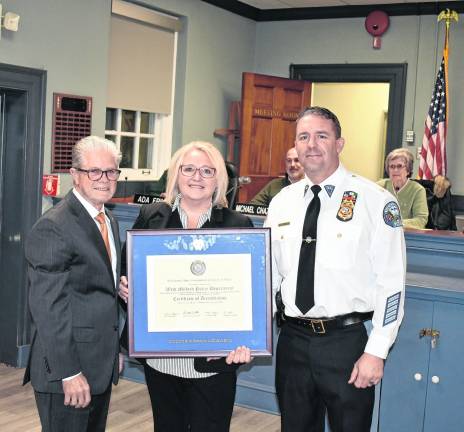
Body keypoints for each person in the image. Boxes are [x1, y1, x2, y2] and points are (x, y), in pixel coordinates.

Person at [265, 107, 406, 432]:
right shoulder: (281, 202)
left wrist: (377, 350)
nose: (311, 144)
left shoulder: (376, 201)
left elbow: (392, 283)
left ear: (339, 143)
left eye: (321, 136)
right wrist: (251, 329)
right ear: (296, 145)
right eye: (303, 137)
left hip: (346, 345)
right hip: (293, 341)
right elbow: (270, 275)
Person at [119, 141, 253, 432]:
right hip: (161, 360)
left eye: (207, 171)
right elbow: (128, 269)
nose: (197, 177)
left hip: (214, 361)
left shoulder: (236, 224)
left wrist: (245, 341)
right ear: (176, 175)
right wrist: (126, 289)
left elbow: (247, 294)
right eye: (189, 169)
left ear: (218, 179)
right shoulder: (152, 217)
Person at [23, 136, 123, 432]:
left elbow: (97, 289)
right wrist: (69, 372)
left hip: (98, 364)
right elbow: (47, 308)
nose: (104, 179)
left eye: (111, 171)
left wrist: (111, 352)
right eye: (95, 171)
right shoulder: (54, 226)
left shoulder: (107, 219)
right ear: (76, 175)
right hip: (67, 371)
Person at [377, 148, 428, 229]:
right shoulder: (380, 186)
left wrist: (395, 222)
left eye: (399, 166)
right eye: (392, 166)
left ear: (408, 170)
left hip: (408, 236)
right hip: (383, 233)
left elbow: (421, 220)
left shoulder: (418, 190)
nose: (395, 170)